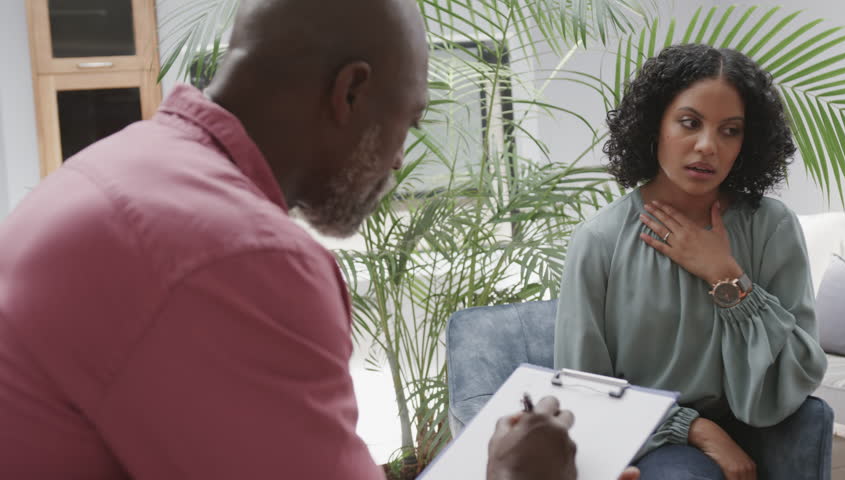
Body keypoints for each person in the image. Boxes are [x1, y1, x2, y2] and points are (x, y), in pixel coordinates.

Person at [0, 0, 592, 479]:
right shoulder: (238, 254)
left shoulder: (120, 164)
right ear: (350, 93)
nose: (400, 160)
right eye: (407, 123)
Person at [554, 43, 828, 480]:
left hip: (763, 423)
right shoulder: (600, 241)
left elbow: (799, 366)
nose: (707, 146)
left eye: (730, 130)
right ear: (654, 125)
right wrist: (694, 429)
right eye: (689, 123)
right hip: (652, 435)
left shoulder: (772, 227)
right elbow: (584, 390)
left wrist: (724, 274)